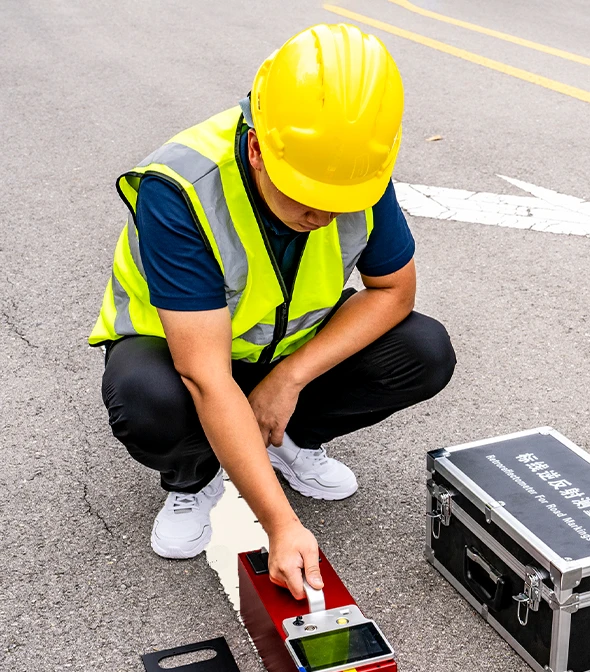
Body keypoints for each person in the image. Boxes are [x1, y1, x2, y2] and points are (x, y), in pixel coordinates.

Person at [89, 23, 456, 600]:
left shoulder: (349, 170)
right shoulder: (180, 187)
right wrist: (281, 525)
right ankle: (195, 475)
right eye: (305, 196)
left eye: (340, 202)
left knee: (423, 350)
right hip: (186, 359)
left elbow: (394, 293)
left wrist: (289, 377)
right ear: (258, 149)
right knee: (148, 400)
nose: (323, 216)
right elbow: (204, 374)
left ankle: (287, 439)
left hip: (284, 352)